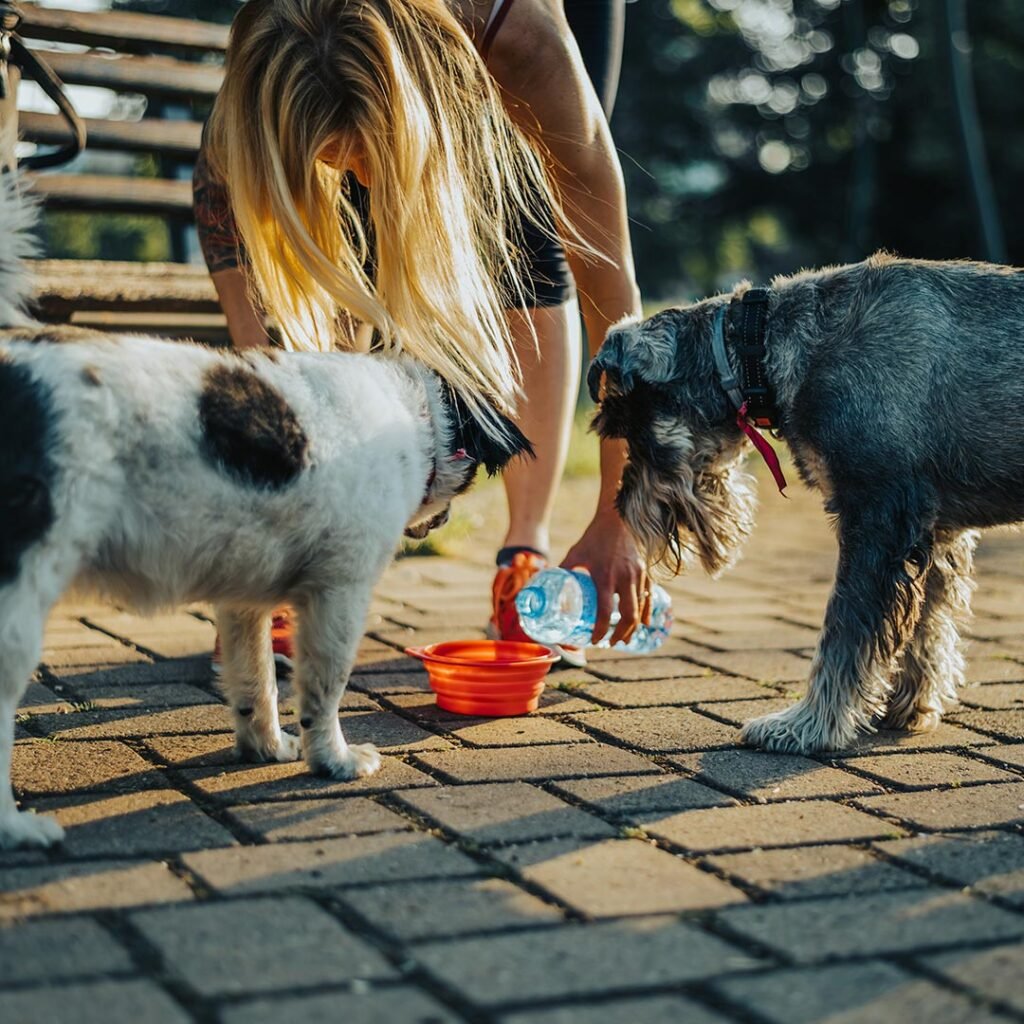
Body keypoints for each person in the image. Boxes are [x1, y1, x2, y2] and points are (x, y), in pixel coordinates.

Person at [192, 0, 647, 665]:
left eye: (368, 152)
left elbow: (614, 296)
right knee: (347, 225)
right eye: (338, 158)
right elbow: (221, 194)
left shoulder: (520, 43)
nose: (365, 178)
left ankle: (524, 551)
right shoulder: (276, 48)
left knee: (532, 224)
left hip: (500, 35)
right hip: (390, 73)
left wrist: (620, 517)